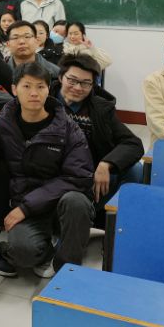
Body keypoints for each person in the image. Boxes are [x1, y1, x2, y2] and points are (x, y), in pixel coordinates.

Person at [0, 62, 94, 278]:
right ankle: (51, 245)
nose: (34, 93)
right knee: (22, 254)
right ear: (14, 89)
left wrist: (25, 208)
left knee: (77, 201)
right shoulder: (5, 121)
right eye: (27, 86)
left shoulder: (67, 127)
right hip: (29, 204)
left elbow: (78, 176)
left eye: (40, 87)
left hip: (59, 204)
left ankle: (66, 266)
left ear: (49, 90)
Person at [53, 54, 143, 225]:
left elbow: (133, 143)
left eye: (86, 83)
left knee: (135, 169)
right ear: (60, 77)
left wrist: (106, 163)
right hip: (53, 172)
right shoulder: (43, 100)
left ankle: (109, 221)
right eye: (72, 80)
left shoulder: (100, 108)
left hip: (89, 174)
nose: (78, 87)